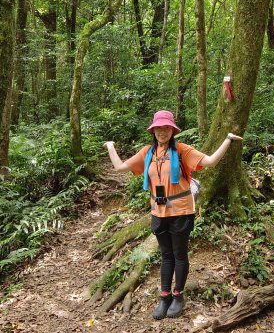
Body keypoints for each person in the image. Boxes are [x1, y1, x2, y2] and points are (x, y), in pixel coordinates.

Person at [103, 110, 243, 319]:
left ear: (172, 130)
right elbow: (120, 167)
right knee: (165, 255)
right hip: (158, 212)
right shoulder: (147, 153)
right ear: (153, 130)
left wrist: (228, 140)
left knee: (179, 254)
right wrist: (111, 146)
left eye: (166, 128)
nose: (162, 132)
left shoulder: (182, 151)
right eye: (158, 128)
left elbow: (211, 161)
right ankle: (164, 296)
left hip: (181, 211)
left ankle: (178, 296)